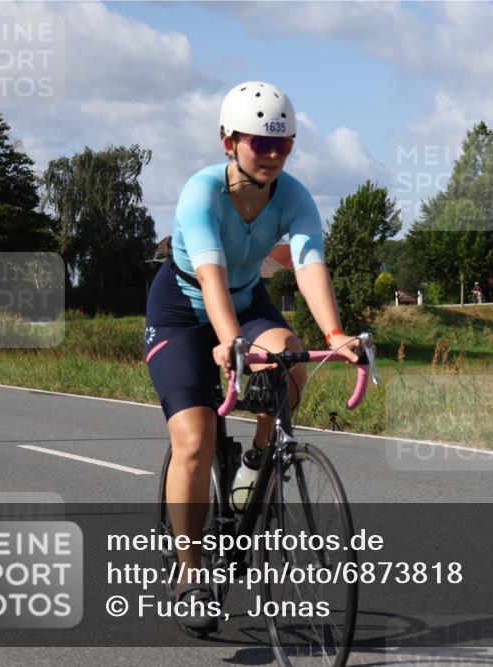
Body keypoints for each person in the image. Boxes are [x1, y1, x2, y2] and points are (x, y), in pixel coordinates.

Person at [143, 81, 361, 631]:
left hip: (245, 300)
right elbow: (211, 272)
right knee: (193, 439)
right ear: (228, 141)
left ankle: (257, 461)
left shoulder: (294, 196)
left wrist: (334, 334)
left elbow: (309, 264)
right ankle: (190, 573)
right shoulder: (201, 194)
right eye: (258, 143)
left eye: (282, 144)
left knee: (290, 357)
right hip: (182, 310)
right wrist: (227, 340)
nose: (271, 155)